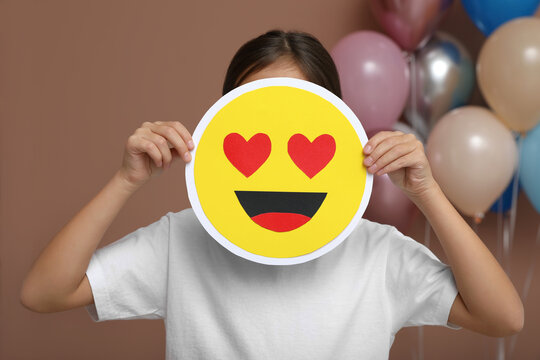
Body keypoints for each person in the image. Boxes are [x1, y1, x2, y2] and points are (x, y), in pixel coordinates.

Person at [21, 30, 523, 359]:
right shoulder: (181, 241)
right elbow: (43, 293)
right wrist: (125, 180)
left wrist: (427, 192)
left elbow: (503, 316)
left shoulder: (378, 252)